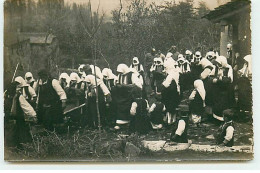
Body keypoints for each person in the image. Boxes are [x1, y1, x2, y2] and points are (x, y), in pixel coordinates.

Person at [5, 82, 37, 148]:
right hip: (11, 118)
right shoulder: (9, 96)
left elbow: (26, 107)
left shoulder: (16, 96)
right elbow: (26, 107)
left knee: (16, 135)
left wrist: (33, 115)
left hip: (14, 118)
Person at [113, 64, 142, 130]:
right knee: (119, 104)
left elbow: (137, 86)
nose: (120, 73)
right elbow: (117, 83)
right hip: (122, 94)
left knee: (128, 105)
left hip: (129, 94)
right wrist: (118, 85)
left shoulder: (132, 75)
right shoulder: (120, 75)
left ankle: (128, 122)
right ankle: (120, 123)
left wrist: (126, 86)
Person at [210, 56, 235, 122]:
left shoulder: (228, 68)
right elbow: (210, 76)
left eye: (220, 64)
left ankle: (225, 117)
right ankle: (216, 118)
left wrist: (220, 79)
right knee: (217, 102)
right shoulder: (216, 68)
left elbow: (229, 79)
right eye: (217, 63)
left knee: (224, 102)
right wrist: (214, 79)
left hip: (226, 89)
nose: (218, 65)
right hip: (218, 88)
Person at [161, 60, 180, 125]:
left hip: (170, 93)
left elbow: (165, 85)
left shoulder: (170, 75)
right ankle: (173, 120)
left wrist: (163, 84)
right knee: (174, 107)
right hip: (176, 92)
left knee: (169, 107)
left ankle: (169, 121)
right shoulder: (175, 73)